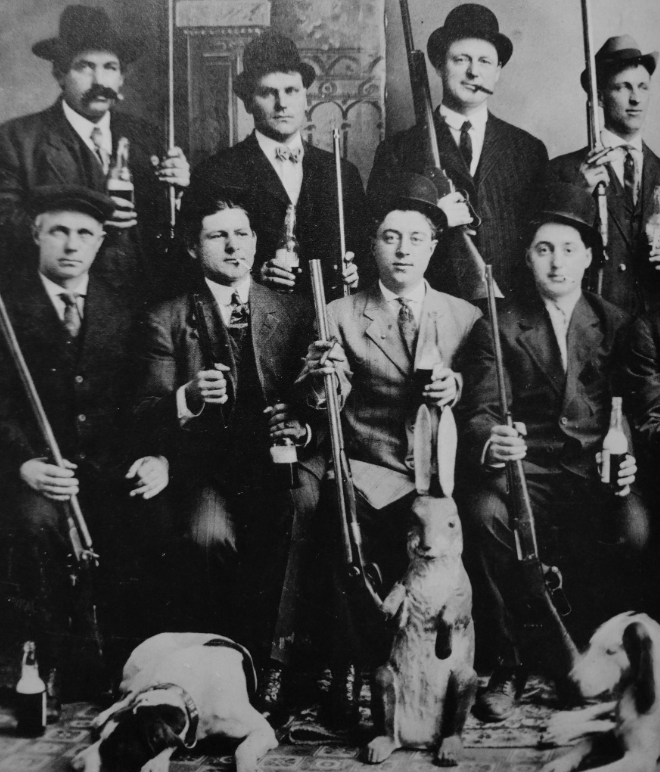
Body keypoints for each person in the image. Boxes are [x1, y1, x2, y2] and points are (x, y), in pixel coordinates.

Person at [458, 183, 651, 722]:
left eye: (569, 249)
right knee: (486, 513)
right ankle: (510, 663)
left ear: (589, 258)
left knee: (632, 529)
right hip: (531, 469)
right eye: (544, 249)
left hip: (597, 469)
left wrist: (627, 457)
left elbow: (631, 406)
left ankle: (601, 655)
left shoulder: (617, 322)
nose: (557, 262)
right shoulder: (498, 325)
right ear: (527, 257)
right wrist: (492, 441)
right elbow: (481, 409)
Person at [132, 184, 325, 717]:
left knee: (300, 510)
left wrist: (304, 424)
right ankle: (222, 667)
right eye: (218, 237)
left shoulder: (294, 310)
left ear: (258, 241)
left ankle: (277, 666)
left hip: (280, 466)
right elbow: (143, 414)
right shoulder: (165, 319)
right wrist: (187, 397)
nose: (234, 247)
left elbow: (323, 403)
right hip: (207, 470)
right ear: (193, 248)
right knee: (205, 535)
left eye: (242, 234)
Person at [299, 174, 481, 687]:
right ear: (372, 245)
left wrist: (458, 387)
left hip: (441, 476)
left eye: (416, 238)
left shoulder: (463, 316)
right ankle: (353, 668)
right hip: (371, 471)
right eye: (389, 237)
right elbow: (320, 404)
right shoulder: (338, 315)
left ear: (433, 246)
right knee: (342, 530)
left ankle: (460, 666)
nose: (403, 251)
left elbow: (485, 392)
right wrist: (321, 378)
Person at [0, 185, 172, 716]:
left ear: (101, 242)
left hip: (107, 467)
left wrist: (157, 458)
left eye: (83, 234)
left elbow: (146, 399)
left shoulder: (125, 310)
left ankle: (132, 665)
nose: (71, 245)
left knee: (155, 517)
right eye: (58, 231)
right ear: (35, 235)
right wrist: (23, 465)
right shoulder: (8, 307)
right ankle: (43, 664)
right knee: (33, 525)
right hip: (34, 472)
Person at [0, 5, 190, 299]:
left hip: (143, 301)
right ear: (59, 73)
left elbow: (167, 230)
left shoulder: (147, 136)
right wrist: (89, 220)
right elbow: (6, 225)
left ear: (122, 77)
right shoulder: (18, 139)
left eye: (110, 68)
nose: (99, 81)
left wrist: (178, 193)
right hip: (64, 301)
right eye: (85, 66)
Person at [368, 3, 548, 300]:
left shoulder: (528, 151)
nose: (473, 72)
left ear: (498, 71)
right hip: (428, 307)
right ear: (439, 65)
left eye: (485, 62)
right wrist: (434, 220)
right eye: (461, 59)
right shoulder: (397, 151)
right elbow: (375, 237)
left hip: (511, 311)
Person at [190, 31, 368, 300]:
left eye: (291, 91)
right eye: (267, 93)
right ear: (249, 102)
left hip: (330, 323)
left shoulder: (342, 172)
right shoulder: (215, 173)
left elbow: (367, 254)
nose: (282, 103)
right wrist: (251, 276)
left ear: (306, 98)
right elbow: (195, 265)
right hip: (256, 326)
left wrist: (357, 272)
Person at [550, 36, 660, 314]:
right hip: (595, 323)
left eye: (643, 87)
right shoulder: (562, 170)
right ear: (599, 97)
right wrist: (578, 193)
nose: (635, 98)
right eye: (623, 87)